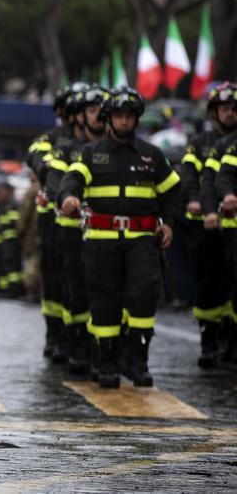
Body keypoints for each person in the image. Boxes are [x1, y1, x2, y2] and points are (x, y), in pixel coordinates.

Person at [59, 87, 181, 388]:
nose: (124, 121)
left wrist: (168, 224)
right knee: (104, 301)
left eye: (129, 116)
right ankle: (106, 362)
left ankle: (137, 361)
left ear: (136, 119)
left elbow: (172, 192)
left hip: (142, 240)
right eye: (118, 116)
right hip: (102, 240)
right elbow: (71, 181)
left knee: (142, 295)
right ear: (107, 119)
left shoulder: (152, 155)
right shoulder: (91, 154)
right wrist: (69, 200)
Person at [45, 84, 108, 378]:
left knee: (110, 292)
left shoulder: (124, 151)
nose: (99, 116)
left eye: (102, 110)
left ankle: (109, 350)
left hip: (109, 235)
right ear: (80, 116)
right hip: (71, 231)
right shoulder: (66, 149)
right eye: (92, 111)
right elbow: (54, 180)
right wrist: (66, 198)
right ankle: (78, 344)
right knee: (75, 291)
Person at [27, 83, 85, 362]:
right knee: (53, 277)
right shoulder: (51, 139)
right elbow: (35, 155)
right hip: (52, 217)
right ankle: (55, 333)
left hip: (85, 221)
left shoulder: (92, 143)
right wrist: (50, 167)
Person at [179, 82, 236, 367]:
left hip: (231, 225)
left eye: (234, 109)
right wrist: (194, 200)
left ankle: (229, 340)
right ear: (214, 112)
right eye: (224, 108)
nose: (230, 113)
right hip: (203, 223)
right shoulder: (200, 142)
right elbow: (189, 176)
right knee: (208, 283)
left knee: (230, 283)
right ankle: (209, 341)